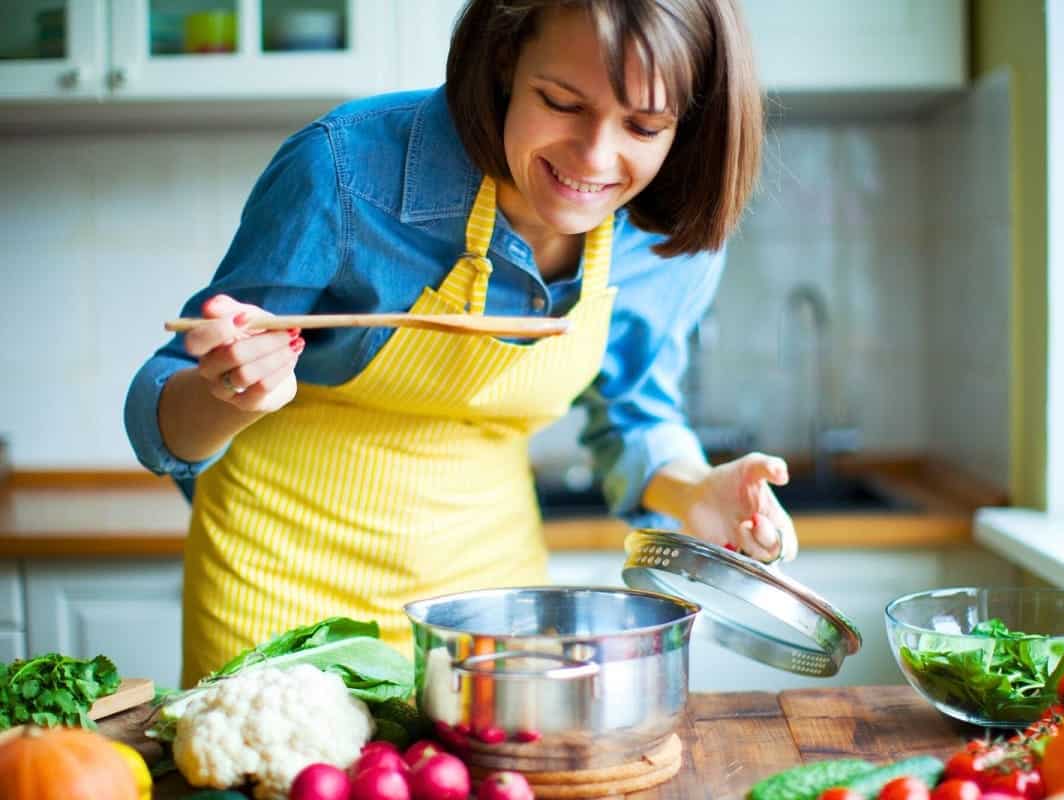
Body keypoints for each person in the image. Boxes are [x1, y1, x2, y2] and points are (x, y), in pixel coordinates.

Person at [125, 0, 798, 687]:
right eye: (561, 102)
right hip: (274, 592)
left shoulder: (667, 242)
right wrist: (232, 391)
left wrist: (698, 492)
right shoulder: (345, 169)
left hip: (487, 610)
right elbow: (158, 419)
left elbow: (633, 416)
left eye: (643, 125)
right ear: (506, 58)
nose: (595, 157)